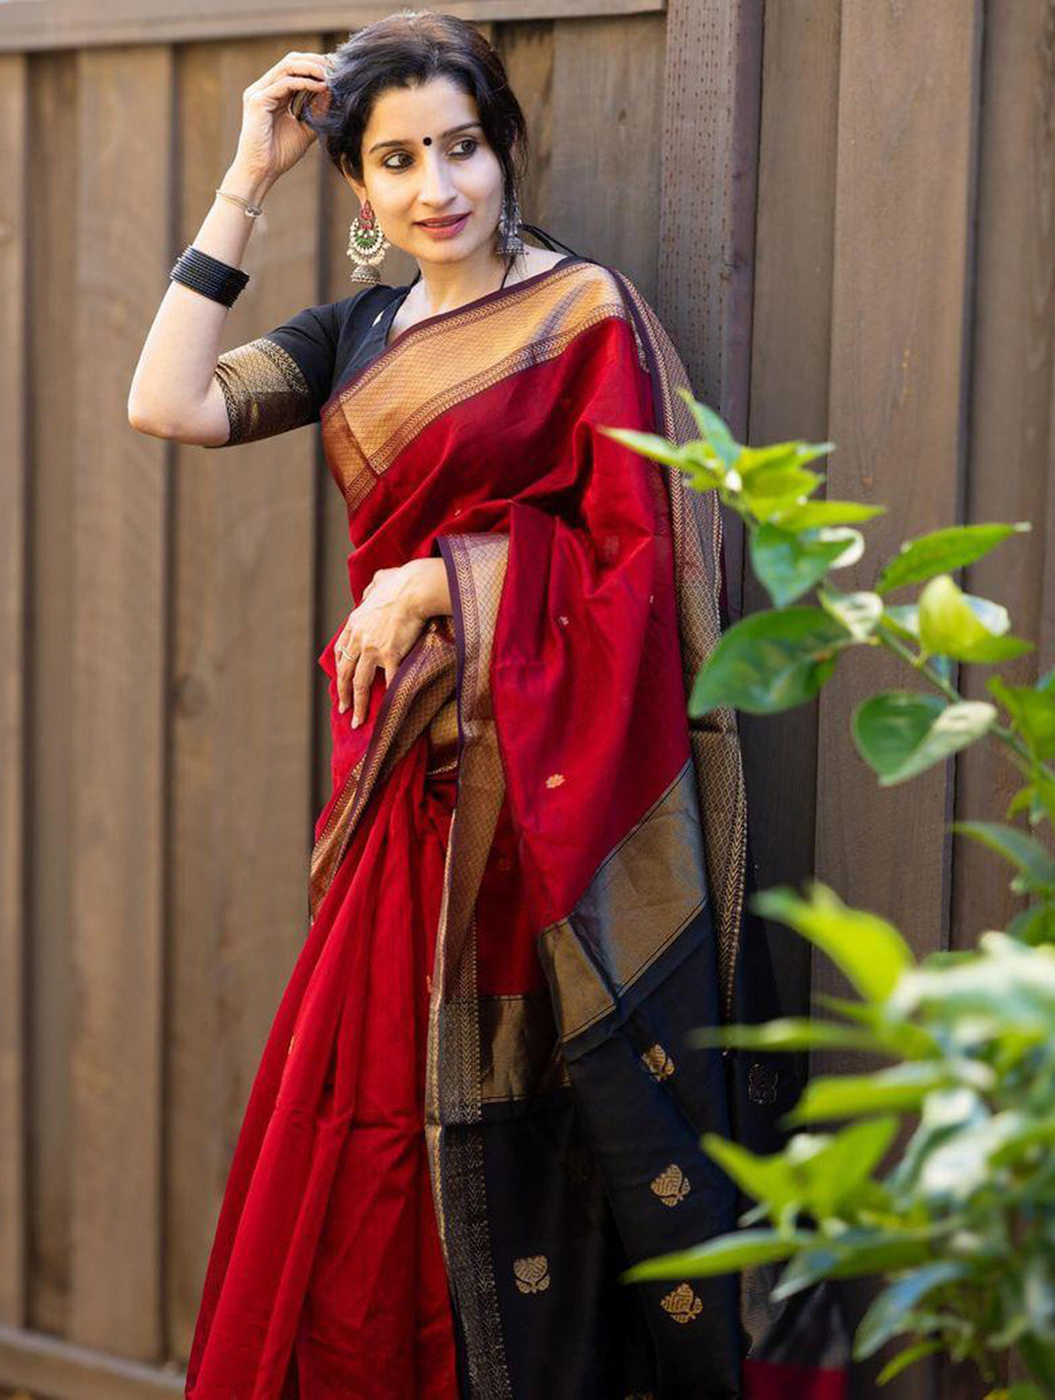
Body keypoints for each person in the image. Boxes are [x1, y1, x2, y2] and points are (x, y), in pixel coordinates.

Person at [129, 11, 814, 1398]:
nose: (438, 187)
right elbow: (170, 401)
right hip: (401, 813)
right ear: (361, 192)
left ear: (506, 151)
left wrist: (444, 586)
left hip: (550, 822)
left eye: (463, 147)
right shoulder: (359, 332)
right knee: (377, 1137)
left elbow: (642, 566)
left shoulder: (583, 317)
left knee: (551, 1150)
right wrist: (247, 178)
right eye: (397, 161)